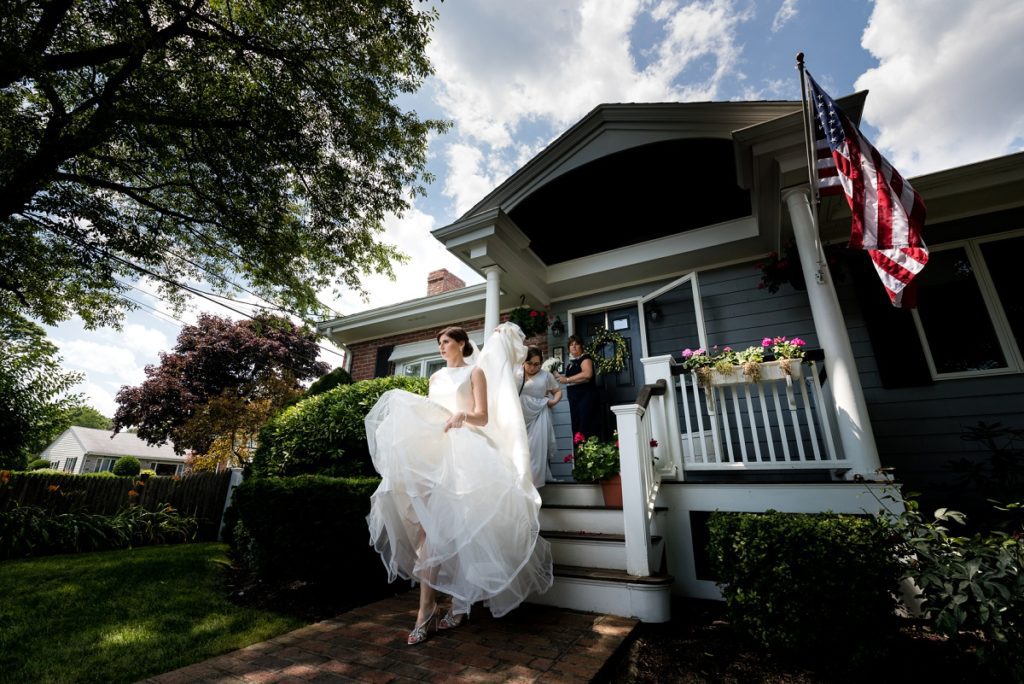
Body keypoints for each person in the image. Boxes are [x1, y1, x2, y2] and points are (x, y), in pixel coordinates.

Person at [364, 323, 553, 646]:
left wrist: (462, 416)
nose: (441, 346)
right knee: (429, 534)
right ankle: (434, 607)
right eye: (439, 341)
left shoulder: (474, 373)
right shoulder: (435, 377)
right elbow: (428, 410)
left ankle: (443, 608)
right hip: (434, 455)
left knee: (461, 532)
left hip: (465, 454)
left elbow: (483, 416)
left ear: (462, 343)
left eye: (446, 341)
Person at [516, 346, 561, 488]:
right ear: (524, 361)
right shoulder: (516, 373)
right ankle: (521, 480)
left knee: (536, 449)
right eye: (529, 363)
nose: (533, 367)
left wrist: (553, 401)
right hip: (520, 416)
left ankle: (534, 483)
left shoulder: (546, 375)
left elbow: (557, 391)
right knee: (520, 448)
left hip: (539, 414)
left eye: (537, 364)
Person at [556, 334, 603, 441]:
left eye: (576, 344)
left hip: (586, 397)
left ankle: (591, 453)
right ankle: (580, 454)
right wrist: (560, 377)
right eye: (571, 345)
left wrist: (567, 379)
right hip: (574, 399)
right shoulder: (570, 364)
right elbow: (571, 379)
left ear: (581, 346)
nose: (574, 347)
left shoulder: (585, 358)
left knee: (586, 425)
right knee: (577, 426)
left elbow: (587, 375)